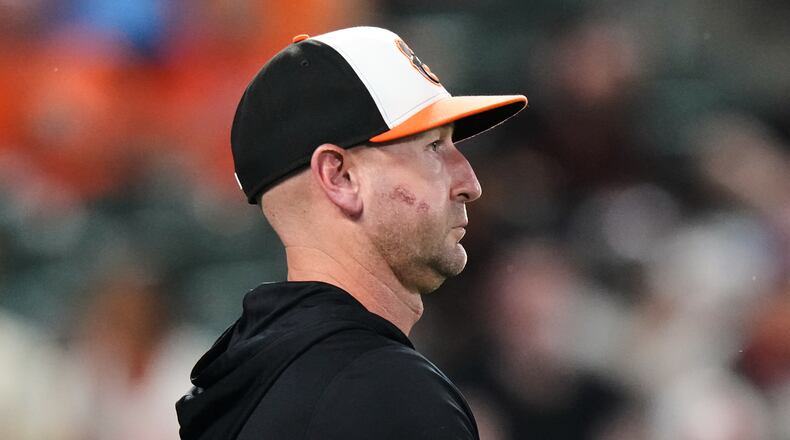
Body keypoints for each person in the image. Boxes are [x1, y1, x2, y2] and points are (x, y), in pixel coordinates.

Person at [176, 26, 527, 440]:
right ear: (340, 177)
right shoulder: (388, 393)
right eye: (433, 147)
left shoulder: (242, 386)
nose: (471, 183)